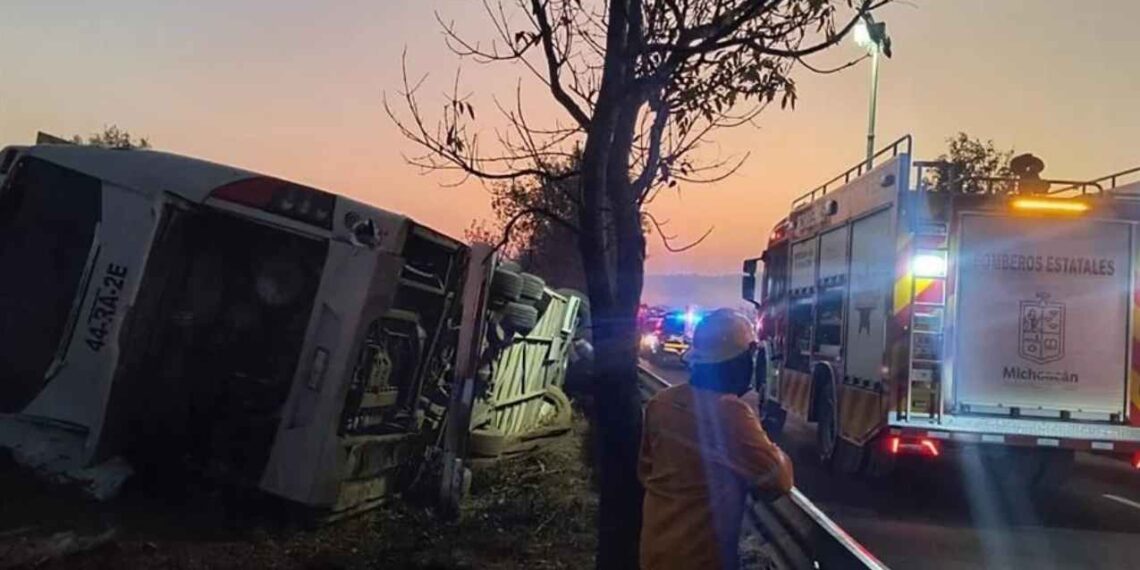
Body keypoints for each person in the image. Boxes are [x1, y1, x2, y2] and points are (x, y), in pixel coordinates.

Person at [638, 309, 794, 570]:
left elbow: (645, 470)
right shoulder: (730, 413)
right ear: (737, 363)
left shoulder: (661, 403)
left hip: (654, 555)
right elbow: (779, 480)